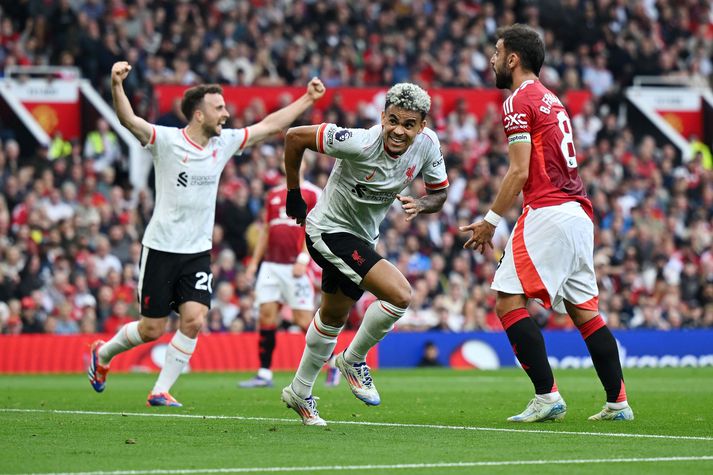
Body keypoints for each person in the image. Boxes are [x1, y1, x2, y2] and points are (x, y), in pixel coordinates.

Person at [86, 60, 325, 406]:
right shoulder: (165, 141)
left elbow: (270, 126)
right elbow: (128, 120)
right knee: (152, 329)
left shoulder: (223, 143)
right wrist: (116, 85)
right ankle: (103, 353)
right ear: (199, 115)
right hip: (160, 247)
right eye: (219, 108)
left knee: (194, 319)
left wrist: (306, 99)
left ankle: (160, 389)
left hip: (197, 251)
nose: (226, 114)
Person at [459, 24, 633, 422]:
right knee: (585, 311)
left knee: (506, 299)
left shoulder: (518, 100)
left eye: (497, 51)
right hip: (578, 215)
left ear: (513, 59)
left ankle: (547, 396)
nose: (492, 59)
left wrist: (489, 221)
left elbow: (519, 172)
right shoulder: (552, 99)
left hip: (548, 210)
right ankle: (618, 402)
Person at [280, 83, 449, 426]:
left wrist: (422, 203)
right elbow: (294, 137)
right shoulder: (357, 141)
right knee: (400, 294)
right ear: (383, 117)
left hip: (361, 239)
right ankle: (354, 358)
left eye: (409, 124)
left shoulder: (428, 147)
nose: (399, 131)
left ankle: (299, 391)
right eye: (393, 120)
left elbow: (440, 193)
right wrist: (294, 194)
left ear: (423, 127)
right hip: (327, 230)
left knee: (332, 318)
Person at [238, 175, 323, 388]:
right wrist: (253, 263)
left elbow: (316, 226)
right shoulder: (273, 194)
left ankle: (332, 364)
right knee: (266, 317)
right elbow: (266, 230)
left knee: (303, 320)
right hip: (270, 266)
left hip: (295, 266)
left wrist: (304, 258)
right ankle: (264, 373)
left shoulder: (313, 193)